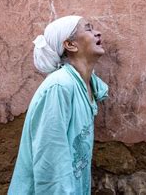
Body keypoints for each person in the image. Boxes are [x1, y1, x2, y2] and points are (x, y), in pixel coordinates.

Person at [8, 15, 108, 194]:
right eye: (89, 29)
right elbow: (51, 158)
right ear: (70, 45)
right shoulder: (60, 86)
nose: (98, 33)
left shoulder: (87, 85)